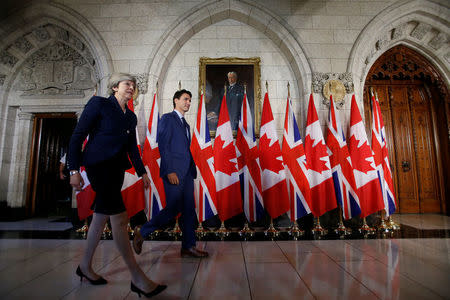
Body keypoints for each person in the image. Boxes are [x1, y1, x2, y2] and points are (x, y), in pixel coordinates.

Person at [67, 73, 166, 298]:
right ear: (115, 88)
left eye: (133, 85)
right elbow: (77, 135)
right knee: (120, 218)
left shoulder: (130, 117)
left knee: (101, 217)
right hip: (98, 166)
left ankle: (85, 267)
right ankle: (138, 279)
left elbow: (132, 149)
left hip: (116, 170)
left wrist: (142, 172)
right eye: (126, 84)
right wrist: (73, 170)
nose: (131, 87)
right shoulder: (99, 104)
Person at [132, 89, 208, 258]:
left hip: (187, 173)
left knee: (189, 210)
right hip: (173, 172)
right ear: (176, 100)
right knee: (173, 208)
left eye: (190, 100)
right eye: (185, 99)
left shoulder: (186, 125)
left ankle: (189, 246)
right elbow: (163, 146)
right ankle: (142, 231)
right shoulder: (167, 118)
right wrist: (169, 170)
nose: (188, 102)